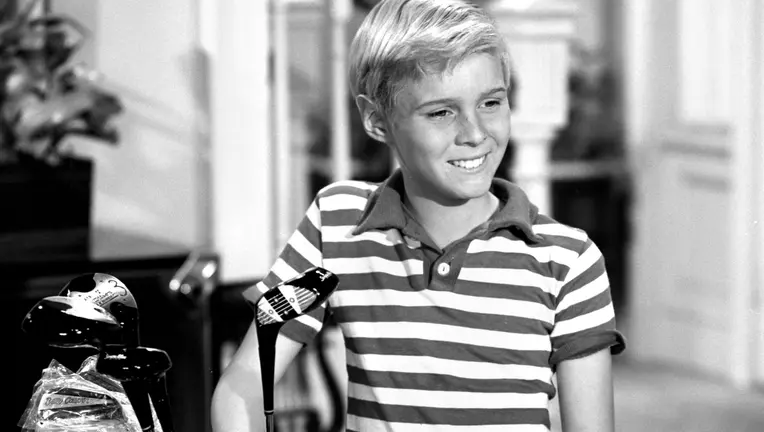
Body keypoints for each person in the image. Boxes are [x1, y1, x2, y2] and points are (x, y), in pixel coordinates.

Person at [211, 0, 626, 431]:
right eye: (441, 112)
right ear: (377, 120)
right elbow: (244, 383)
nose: (474, 133)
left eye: (490, 102)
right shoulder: (336, 224)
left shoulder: (568, 260)